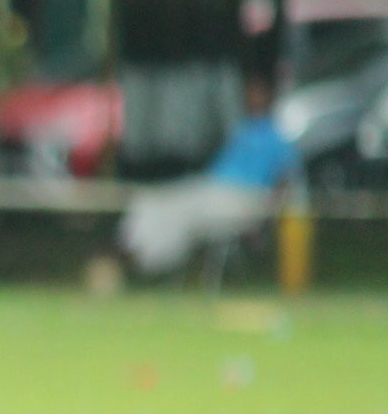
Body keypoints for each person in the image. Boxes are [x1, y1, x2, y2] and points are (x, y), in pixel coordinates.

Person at [119, 72, 300, 275]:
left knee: (183, 214)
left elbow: (284, 182)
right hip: (213, 187)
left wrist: (264, 219)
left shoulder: (277, 137)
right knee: (151, 200)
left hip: (242, 198)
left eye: (259, 93)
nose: (253, 98)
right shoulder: (242, 130)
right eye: (250, 92)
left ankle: (145, 263)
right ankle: (129, 252)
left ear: (270, 97)